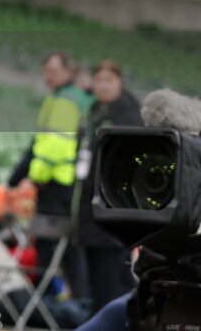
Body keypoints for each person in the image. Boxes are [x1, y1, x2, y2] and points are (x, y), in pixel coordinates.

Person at [8, 51, 93, 299]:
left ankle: (45, 302)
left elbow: (55, 144)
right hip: (63, 183)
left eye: (53, 71)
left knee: (50, 246)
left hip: (56, 184)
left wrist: (37, 176)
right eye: (45, 71)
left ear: (68, 71)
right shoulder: (66, 97)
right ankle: (71, 301)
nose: (48, 76)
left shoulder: (65, 100)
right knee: (66, 249)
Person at [73, 60, 140, 313]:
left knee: (111, 287)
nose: (103, 86)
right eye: (99, 80)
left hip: (112, 212)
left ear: (120, 83)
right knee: (95, 288)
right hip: (89, 209)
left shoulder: (130, 115)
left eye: (109, 81)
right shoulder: (93, 113)